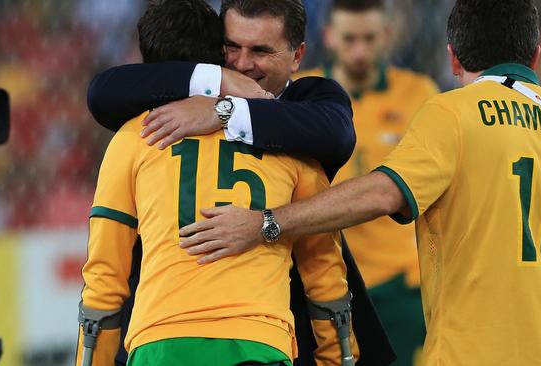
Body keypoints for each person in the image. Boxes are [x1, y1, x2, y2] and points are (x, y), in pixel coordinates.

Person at [177, 0, 541, 365]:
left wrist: (265, 223)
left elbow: (384, 192)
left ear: (453, 58)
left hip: (474, 350)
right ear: (535, 55)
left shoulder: (452, 111)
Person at [85, 1, 395, 365]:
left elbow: (337, 132)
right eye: (232, 47)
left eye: (261, 51)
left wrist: (222, 111)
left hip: (189, 335)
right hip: (252, 337)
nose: (243, 63)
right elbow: (102, 91)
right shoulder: (172, 115)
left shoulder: (308, 110)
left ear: (298, 56)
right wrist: (217, 83)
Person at [295, 1, 438, 364]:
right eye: (349, 39)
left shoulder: (419, 94)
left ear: (386, 36)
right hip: (324, 275)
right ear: (329, 37)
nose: (359, 50)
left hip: (400, 283)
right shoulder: (301, 93)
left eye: (369, 38)